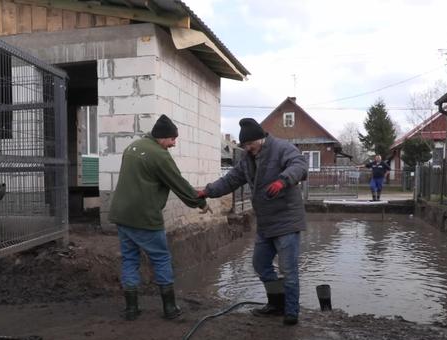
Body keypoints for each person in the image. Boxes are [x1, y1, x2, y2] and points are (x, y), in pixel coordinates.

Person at [198, 118, 308, 326]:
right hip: (266, 223)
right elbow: (230, 180)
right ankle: (276, 304)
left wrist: (283, 180)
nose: (248, 149)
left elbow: (299, 165)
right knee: (260, 264)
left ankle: (291, 312)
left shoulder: (282, 148)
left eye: (250, 144)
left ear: (261, 138)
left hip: (287, 219)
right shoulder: (247, 160)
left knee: (288, 270)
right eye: (245, 146)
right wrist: (207, 191)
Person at [109, 114, 211, 321]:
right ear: (162, 137)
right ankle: (170, 309)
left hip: (121, 215)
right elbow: (178, 182)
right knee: (161, 258)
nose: (174, 143)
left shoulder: (132, 148)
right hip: (145, 217)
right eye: (172, 139)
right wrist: (199, 202)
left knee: (129, 259)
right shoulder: (160, 156)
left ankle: (131, 309)